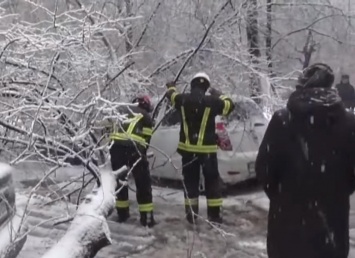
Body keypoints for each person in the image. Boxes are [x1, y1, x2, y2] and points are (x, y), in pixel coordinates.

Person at [255, 63, 355, 258]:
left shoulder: (282, 121)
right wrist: (337, 192)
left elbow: (264, 170)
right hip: (332, 228)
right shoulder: (349, 123)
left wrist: (284, 197)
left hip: (287, 229)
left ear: (301, 85)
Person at [165, 72, 234, 224]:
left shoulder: (182, 100)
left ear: (192, 85)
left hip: (188, 152)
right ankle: (214, 216)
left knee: (190, 183)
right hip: (207, 152)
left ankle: (191, 216)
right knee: (212, 182)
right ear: (206, 87)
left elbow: (171, 95)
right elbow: (230, 105)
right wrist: (220, 95)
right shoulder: (213, 101)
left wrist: (171, 86)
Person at [109, 95, 156, 227]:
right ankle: (146, 218)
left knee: (120, 181)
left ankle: (122, 214)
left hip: (116, 149)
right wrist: (143, 156)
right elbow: (146, 140)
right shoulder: (146, 116)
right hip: (134, 150)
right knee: (143, 183)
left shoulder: (121, 110)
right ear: (146, 106)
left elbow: (108, 129)